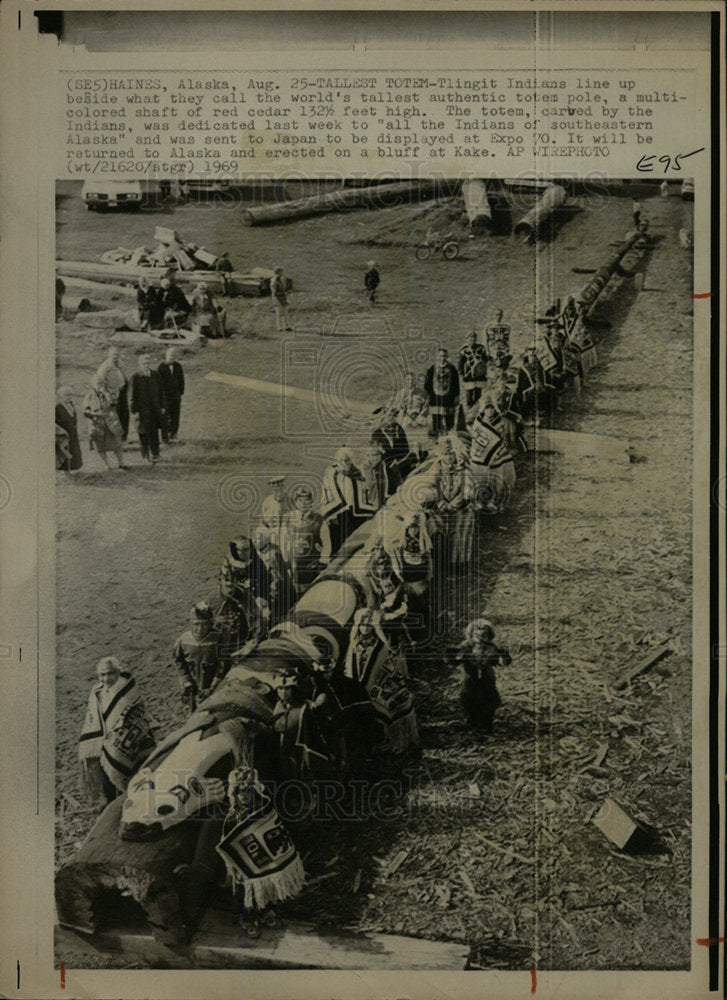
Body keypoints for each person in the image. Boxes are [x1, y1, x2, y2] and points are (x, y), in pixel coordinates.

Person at [79, 658, 154, 803]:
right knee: (107, 772)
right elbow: (93, 717)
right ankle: (112, 802)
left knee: (135, 771)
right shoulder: (96, 691)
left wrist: (115, 735)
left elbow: (133, 716)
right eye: (102, 675)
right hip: (104, 742)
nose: (106, 678)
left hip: (129, 741)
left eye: (110, 673)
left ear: (119, 672)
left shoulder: (127, 688)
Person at [344, 608, 418, 755]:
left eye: (369, 624)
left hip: (377, 688)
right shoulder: (353, 645)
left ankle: (383, 741)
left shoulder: (381, 647)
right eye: (362, 624)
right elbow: (349, 668)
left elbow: (387, 669)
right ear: (357, 625)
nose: (365, 627)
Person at [456, 618, 512, 735]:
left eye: (484, 635)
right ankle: (473, 722)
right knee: (470, 700)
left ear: (489, 636)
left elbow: (503, 663)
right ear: (471, 635)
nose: (481, 638)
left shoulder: (492, 648)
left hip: (487, 679)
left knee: (488, 701)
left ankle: (487, 725)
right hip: (470, 679)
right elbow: (453, 660)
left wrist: (504, 655)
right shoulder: (465, 648)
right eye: (477, 635)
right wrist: (455, 656)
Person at [172, 602, 228, 712]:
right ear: (190, 623)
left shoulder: (218, 639)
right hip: (193, 683)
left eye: (204, 624)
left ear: (211, 623)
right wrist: (185, 680)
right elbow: (179, 661)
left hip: (213, 684)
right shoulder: (183, 641)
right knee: (194, 710)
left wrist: (213, 685)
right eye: (196, 624)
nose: (200, 628)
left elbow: (223, 663)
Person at [320, 446, 375, 555]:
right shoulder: (331, 473)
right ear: (337, 460)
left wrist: (366, 509)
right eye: (341, 460)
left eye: (347, 460)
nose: (344, 462)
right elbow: (328, 494)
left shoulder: (357, 473)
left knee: (354, 541)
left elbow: (364, 491)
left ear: (351, 460)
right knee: (338, 542)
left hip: (355, 512)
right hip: (338, 513)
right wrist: (333, 515)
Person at [280, 485, 331, 593]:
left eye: (307, 500)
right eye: (300, 500)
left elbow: (327, 543)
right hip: (295, 565)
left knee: (315, 593)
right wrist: (286, 561)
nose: (303, 503)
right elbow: (283, 542)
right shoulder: (288, 519)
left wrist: (323, 562)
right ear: (296, 502)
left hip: (313, 564)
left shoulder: (319, 520)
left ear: (311, 502)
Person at [83, 374, 127, 470]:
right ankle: (107, 464)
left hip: (111, 422)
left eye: (101, 383)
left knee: (117, 443)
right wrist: (95, 413)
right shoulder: (89, 396)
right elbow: (85, 411)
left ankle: (121, 463)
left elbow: (115, 403)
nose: (100, 385)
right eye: (98, 383)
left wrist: (108, 396)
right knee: (100, 445)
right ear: (93, 384)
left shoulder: (108, 393)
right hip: (98, 423)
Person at [130, 353, 166, 463]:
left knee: (154, 433)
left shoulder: (156, 375)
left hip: (154, 410)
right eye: (144, 363)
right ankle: (145, 456)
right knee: (143, 434)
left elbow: (161, 392)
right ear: (139, 364)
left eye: (148, 363)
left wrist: (163, 406)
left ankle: (155, 454)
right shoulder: (135, 377)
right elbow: (131, 396)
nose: (146, 365)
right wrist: (135, 410)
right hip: (142, 411)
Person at [371, 406, 417, 485]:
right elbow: (376, 452)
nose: (391, 418)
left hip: (400, 464)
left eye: (393, 416)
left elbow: (405, 449)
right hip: (386, 467)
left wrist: (399, 460)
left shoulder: (399, 429)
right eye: (388, 416)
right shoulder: (377, 433)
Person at [424, 348, 460, 437]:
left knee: (449, 422)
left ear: (447, 357)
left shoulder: (452, 368)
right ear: (437, 357)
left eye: (444, 356)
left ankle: (450, 439)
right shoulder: (432, 369)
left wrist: (456, 396)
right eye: (440, 356)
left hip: (448, 399)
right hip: (435, 399)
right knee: (436, 421)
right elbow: (427, 384)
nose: (442, 358)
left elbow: (456, 383)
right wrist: (428, 396)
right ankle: (437, 441)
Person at [96, 347, 129, 440]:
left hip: (122, 392)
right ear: (109, 355)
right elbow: (99, 383)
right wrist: (107, 395)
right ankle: (115, 440)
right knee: (115, 418)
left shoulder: (120, 364)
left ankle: (123, 438)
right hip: (112, 395)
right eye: (113, 354)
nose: (115, 356)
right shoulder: (104, 367)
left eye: (117, 354)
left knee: (124, 415)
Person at [157, 347, 185, 443]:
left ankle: (174, 435)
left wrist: (180, 393)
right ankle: (165, 438)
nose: (172, 357)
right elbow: (158, 384)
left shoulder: (178, 366)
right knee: (165, 417)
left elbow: (181, 381)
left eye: (173, 356)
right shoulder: (161, 367)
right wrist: (161, 397)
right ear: (166, 356)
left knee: (175, 416)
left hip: (176, 397)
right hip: (165, 397)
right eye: (170, 356)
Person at [457, 330, 489, 411]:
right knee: (469, 396)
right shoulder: (463, 350)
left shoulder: (481, 348)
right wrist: (461, 374)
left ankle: (476, 412)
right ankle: (469, 412)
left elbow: (485, 360)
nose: (472, 340)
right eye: (470, 339)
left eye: (473, 339)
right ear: (466, 339)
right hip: (468, 376)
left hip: (480, 376)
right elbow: (460, 364)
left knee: (478, 396)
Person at [55, 385, 83, 472]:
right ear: (61, 396)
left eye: (71, 395)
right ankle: (66, 471)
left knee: (74, 449)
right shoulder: (58, 407)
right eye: (66, 395)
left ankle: (74, 467)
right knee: (66, 450)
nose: (69, 397)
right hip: (64, 433)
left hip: (73, 432)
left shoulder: (71, 405)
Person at [271, 266, 292, 332]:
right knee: (279, 313)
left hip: (283, 298)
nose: (282, 273)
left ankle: (286, 327)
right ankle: (279, 327)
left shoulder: (282, 280)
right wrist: (284, 293)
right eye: (281, 272)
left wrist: (285, 292)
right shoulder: (274, 281)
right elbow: (274, 292)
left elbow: (283, 289)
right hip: (277, 299)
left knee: (285, 312)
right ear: (277, 273)